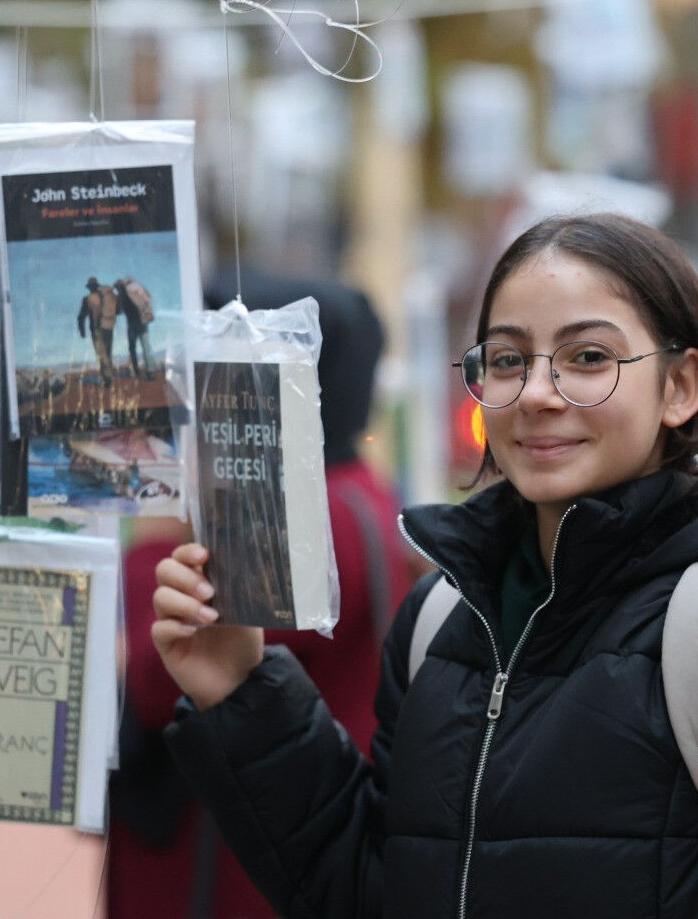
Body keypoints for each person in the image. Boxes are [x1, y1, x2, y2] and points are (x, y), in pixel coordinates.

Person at [144, 214, 698, 919]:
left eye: (589, 357)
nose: (536, 392)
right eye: (507, 359)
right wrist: (240, 688)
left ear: (681, 388)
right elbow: (374, 888)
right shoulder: (442, 623)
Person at [108, 270, 424, 919]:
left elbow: (157, 681)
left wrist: (152, 544)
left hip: (237, 871)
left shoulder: (301, 517)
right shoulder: (357, 495)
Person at [77, 276, 118, 385]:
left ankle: (107, 379)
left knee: (101, 354)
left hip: (97, 330)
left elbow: (81, 316)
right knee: (108, 352)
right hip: (109, 327)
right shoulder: (105, 297)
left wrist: (82, 331)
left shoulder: (87, 299)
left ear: (89, 288)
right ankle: (109, 376)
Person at [114, 277, 157, 379]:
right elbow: (148, 298)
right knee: (146, 346)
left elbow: (118, 311)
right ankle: (150, 370)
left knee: (132, 348)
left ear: (119, 287)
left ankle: (136, 370)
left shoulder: (122, 296)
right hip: (143, 322)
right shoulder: (137, 290)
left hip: (132, 325)